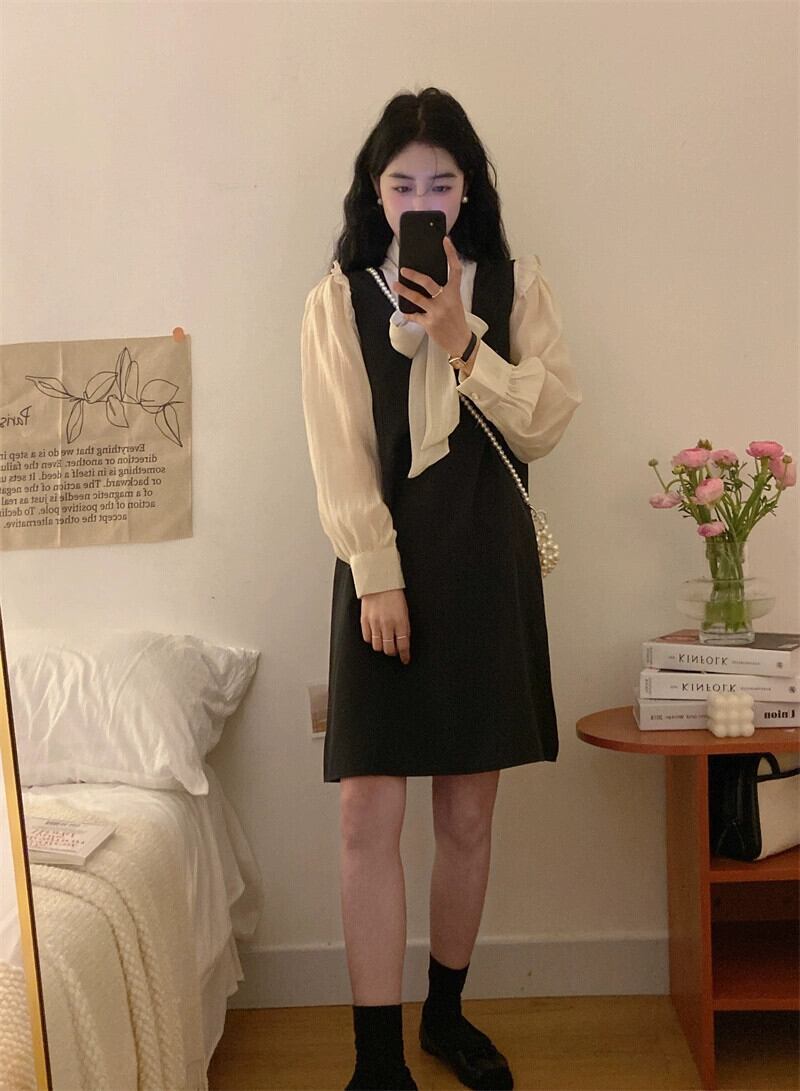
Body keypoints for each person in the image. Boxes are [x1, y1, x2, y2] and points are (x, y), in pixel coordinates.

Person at [300, 87, 582, 1091]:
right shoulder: (337, 301)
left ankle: (446, 1016)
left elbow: (546, 420)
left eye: (441, 182)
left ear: (467, 191)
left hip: (482, 562)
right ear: (375, 193)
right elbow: (338, 452)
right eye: (402, 183)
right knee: (364, 815)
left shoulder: (514, 285)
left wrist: (464, 337)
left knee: (466, 815)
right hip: (380, 570)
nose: (422, 199)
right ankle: (377, 1061)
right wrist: (375, 575)